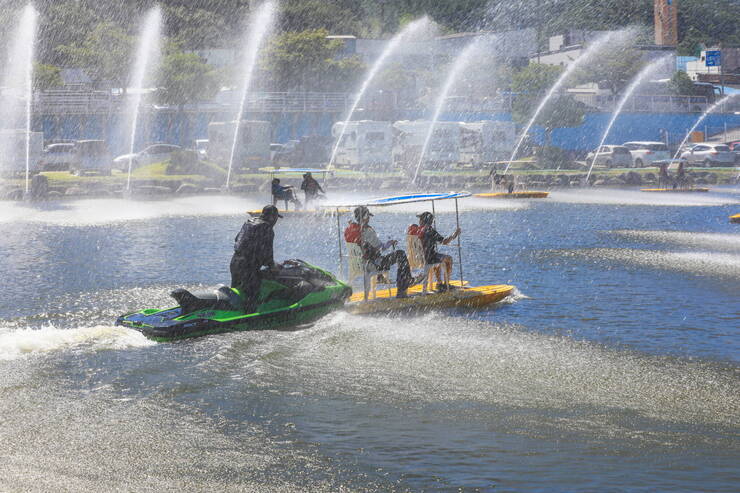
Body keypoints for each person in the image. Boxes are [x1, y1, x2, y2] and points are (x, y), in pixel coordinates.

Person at [349, 205, 415, 298]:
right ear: (364, 217)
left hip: (361, 264)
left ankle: (395, 281)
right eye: (368, 217)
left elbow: (368, 249)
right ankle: (403, 287)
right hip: (374, 264)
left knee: (393, 255)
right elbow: (380, 248)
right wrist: (389, 243)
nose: (369, 219)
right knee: (401, 254)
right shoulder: (368, 231)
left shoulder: (355, 231)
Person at [230, 205, 282, 312]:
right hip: (247, 267)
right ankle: (250, 319)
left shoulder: (249, 223)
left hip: (235, 262)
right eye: (276, 218)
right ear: (272, 217)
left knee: (236, 293)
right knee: (252, 294)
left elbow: (237, 240)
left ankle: (232, 312)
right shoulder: (267, 228)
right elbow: (268, 256)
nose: (276, 221)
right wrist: (274, 266)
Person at [415, 211, 461, 291]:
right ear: (430, 222)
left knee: (438, 258)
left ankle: (439, 283)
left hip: (419, 258)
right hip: (429, 258)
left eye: (420, 219)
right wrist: (455, 234)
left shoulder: (417, 230)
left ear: (423, 221)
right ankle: (446, 283)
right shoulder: (430, 230)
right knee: (449, 259)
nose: (419, 221)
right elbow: (445, 241)